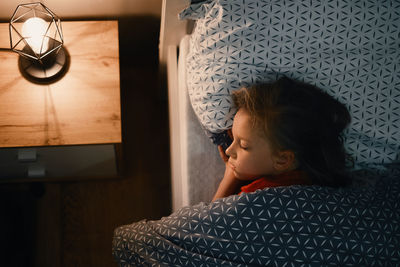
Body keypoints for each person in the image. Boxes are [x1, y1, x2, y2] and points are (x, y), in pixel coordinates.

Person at [213, 76, 352, 201]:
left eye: (243, 145)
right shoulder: (314, 182)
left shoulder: (256, 195)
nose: (228, 151)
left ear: (283, 160)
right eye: (233, 138)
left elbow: (212, 222)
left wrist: (229, 179)